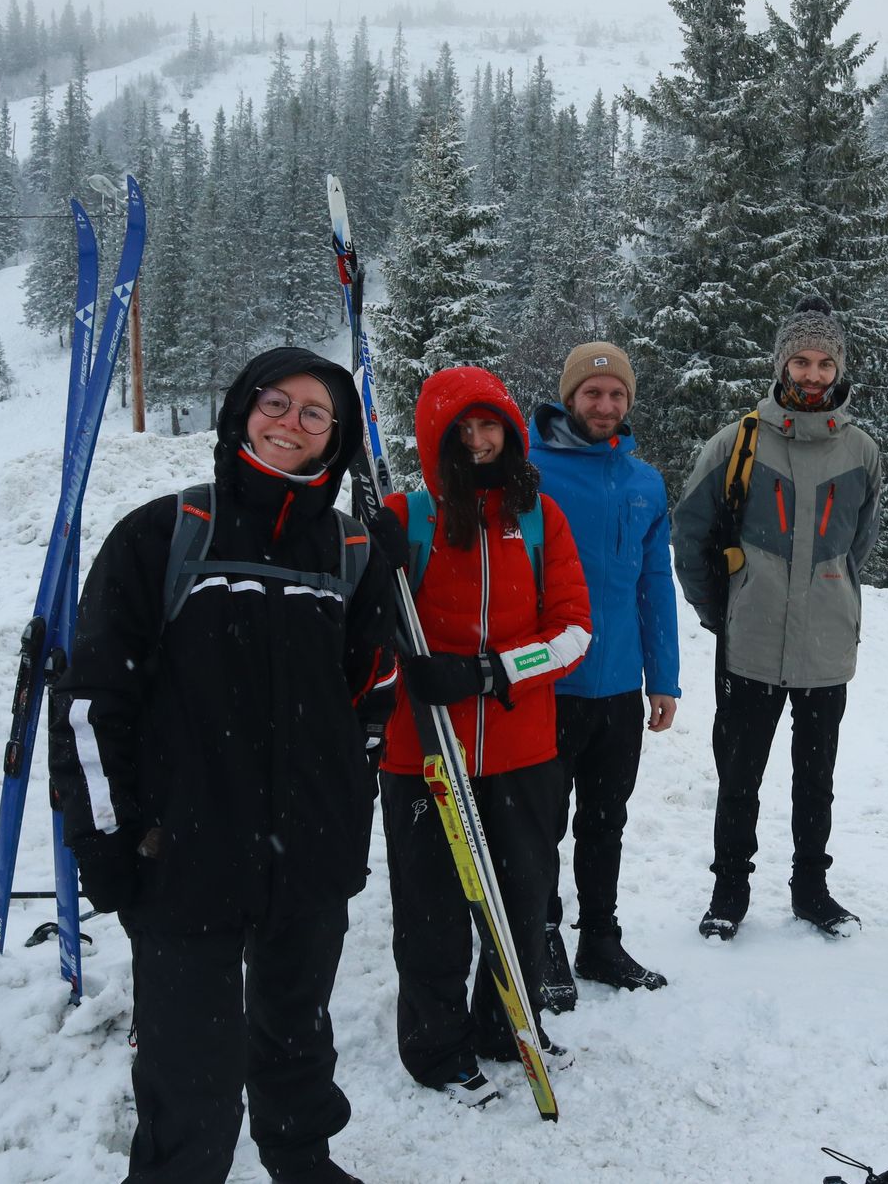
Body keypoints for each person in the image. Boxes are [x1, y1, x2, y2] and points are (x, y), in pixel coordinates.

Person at [49, 346, 404, 1184]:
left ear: (337, 437)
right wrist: (108, 842)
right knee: (189, 1070)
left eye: (315, 413)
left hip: (309, 859)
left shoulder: (351, 553)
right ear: (242, 409)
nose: (291, 423)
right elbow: (92, 705)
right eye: (275, 402)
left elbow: (374, 691)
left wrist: (345, 807)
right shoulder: (165, 533)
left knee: (296, 1031)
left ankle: (300, 1155)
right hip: (183, 857)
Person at [378, 365, 592, 1107]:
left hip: (520, 748)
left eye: (488, 425)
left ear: (509, 431)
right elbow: (366, 631)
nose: (477, 440)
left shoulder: (539, 519)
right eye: (461, 429)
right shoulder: (409, 516)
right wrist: (369, 561)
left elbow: (571, 633)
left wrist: (488, 671)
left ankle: (509, 1026)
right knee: (431, 908)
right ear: (438, 440)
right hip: (424, 752)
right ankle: (436, 1046)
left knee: (523, 897)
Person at [672, 295, 882, 941]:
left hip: (825, 651)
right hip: (750, 647)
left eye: (824, 362)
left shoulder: (863, 452)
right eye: (801, 360)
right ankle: (728, 891)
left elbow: (859, 547)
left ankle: (811, 889)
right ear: (781, 364)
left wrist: (833, 597)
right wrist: (723, 612)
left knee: (815, 780)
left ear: (838, 367)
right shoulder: (737, 442)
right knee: (739, 777)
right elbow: (689, 535)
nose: (813, 374)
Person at [527, 342, 680, 1007]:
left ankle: (600, 940)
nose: (605, 404)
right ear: (569, 397)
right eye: (592, 393)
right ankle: (542, 938)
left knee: (605, 819)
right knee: (540, 823)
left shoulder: (644, 482)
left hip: (618, 687)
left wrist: (663, 678)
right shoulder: (530, 471)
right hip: (546, 685)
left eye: (616, 394)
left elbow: (655, 584)